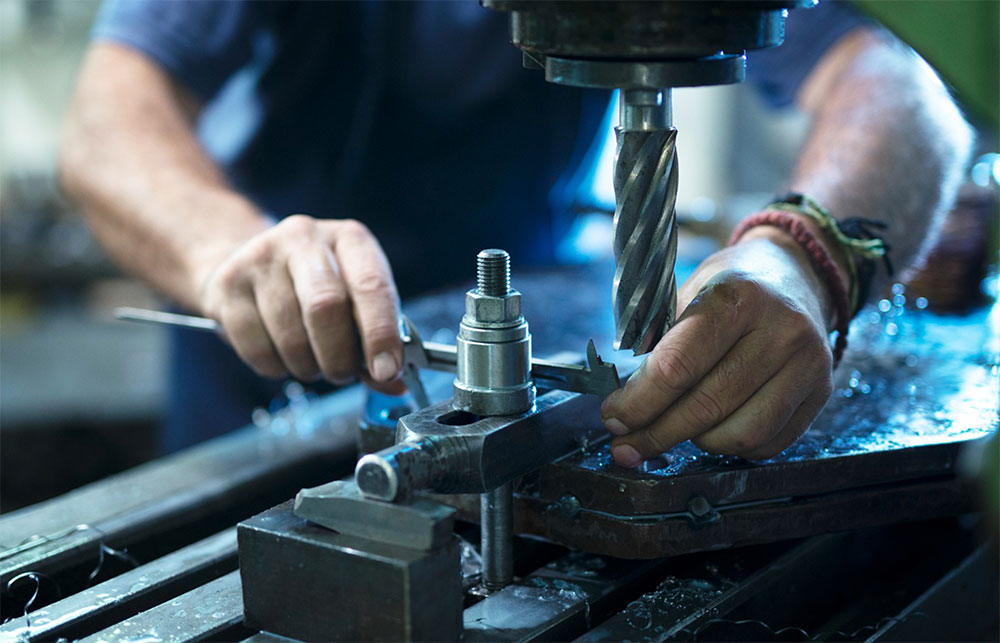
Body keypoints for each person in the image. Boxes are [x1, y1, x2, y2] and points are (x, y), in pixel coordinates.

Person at [61, 1, 972, 463]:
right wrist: (227, 253)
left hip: (538, 365)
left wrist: (801, 257)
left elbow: (904, 85)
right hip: (280, 396)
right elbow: (108, 121)